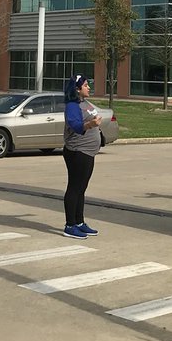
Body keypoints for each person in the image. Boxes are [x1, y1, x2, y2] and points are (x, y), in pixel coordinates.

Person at [61, 74, 103, 240]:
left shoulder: (85, 103)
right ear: (77, 89)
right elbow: (75, 125)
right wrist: (91, 124)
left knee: (81, 189)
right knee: (74, 188)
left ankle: (79, 222)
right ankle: (70, 225)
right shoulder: (72, 106)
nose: (89, 87)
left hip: (88, 152)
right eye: (86, 85)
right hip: (77, 152)